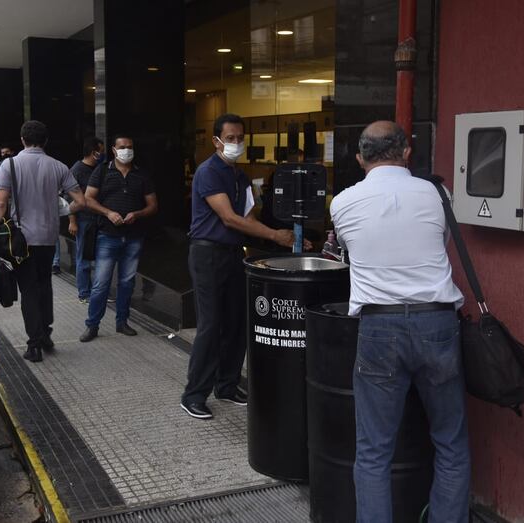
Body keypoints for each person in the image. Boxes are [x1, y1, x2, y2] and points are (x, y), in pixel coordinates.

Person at [329, 121, 470, 523]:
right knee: (451, 442)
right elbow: (437, 244)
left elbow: (350, 251)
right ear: (407, 152)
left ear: (359, 158)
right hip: (438, 324)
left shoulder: (342, 203)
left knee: (373, 452)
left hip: (379, 328)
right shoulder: (440, 194)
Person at [180, 113, 300, 420]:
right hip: (207, 253)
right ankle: (194, 393)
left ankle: (227, 384)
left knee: (236, 320)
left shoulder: (240, 176)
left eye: (240, 138)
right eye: (230, 138)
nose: (236, 144)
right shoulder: (209, 172)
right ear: (216, 140)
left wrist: (280, 235)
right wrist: (275, 236)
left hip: (234, 252)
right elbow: (230, 218)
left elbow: (248, 217)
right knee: (211, 324)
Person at [0, 120, 86, 363]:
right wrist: (62, 211)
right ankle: (46, 332)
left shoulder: (9, 165)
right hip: (49, 237)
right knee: (45, 285)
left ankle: (34, 344)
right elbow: (81, 201)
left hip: (21, 241)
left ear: (22, 140)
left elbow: (0, 203)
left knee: (29, 290)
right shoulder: (59, 166)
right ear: (45, 141)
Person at [79, 134, 157, 342]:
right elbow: (87, 199)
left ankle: (122, 322)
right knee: (100, 283)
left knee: (127, 282)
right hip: (107, 235)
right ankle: (92, 325)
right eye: (122, 147)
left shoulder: (141, 175)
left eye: (130, 146)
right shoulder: (103, 171)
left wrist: (137, 214)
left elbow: (152, 205)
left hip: (134, 236)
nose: (126, 150)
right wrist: (108, 213)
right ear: (113, 150)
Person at [68, 137, 104, 302]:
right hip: (83, 219)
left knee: (98, 258)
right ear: (93, 152)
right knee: (83, 257)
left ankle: (97, 291)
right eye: (100, 151)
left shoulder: (98, 168)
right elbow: (69, 199)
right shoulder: (77, 170)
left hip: (98, 219)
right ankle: (84, 293)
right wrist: (72, 221)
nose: (102, 154)